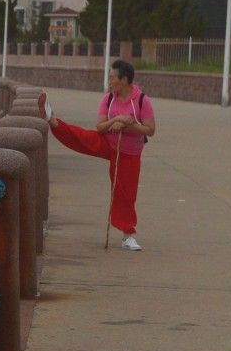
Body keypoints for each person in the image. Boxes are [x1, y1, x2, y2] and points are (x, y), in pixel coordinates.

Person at [38, 60, 156, 251]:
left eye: (112, 77)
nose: (109, 81)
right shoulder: (109, 99)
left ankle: (128, 235)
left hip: (129, 153)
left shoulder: (142, 100)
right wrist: (116, 120)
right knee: (82, 137)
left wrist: (130, 125)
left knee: (125, 193)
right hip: (108, 143)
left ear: (124, 80)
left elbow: (150, 130)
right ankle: (52, 120)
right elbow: (100, 127)